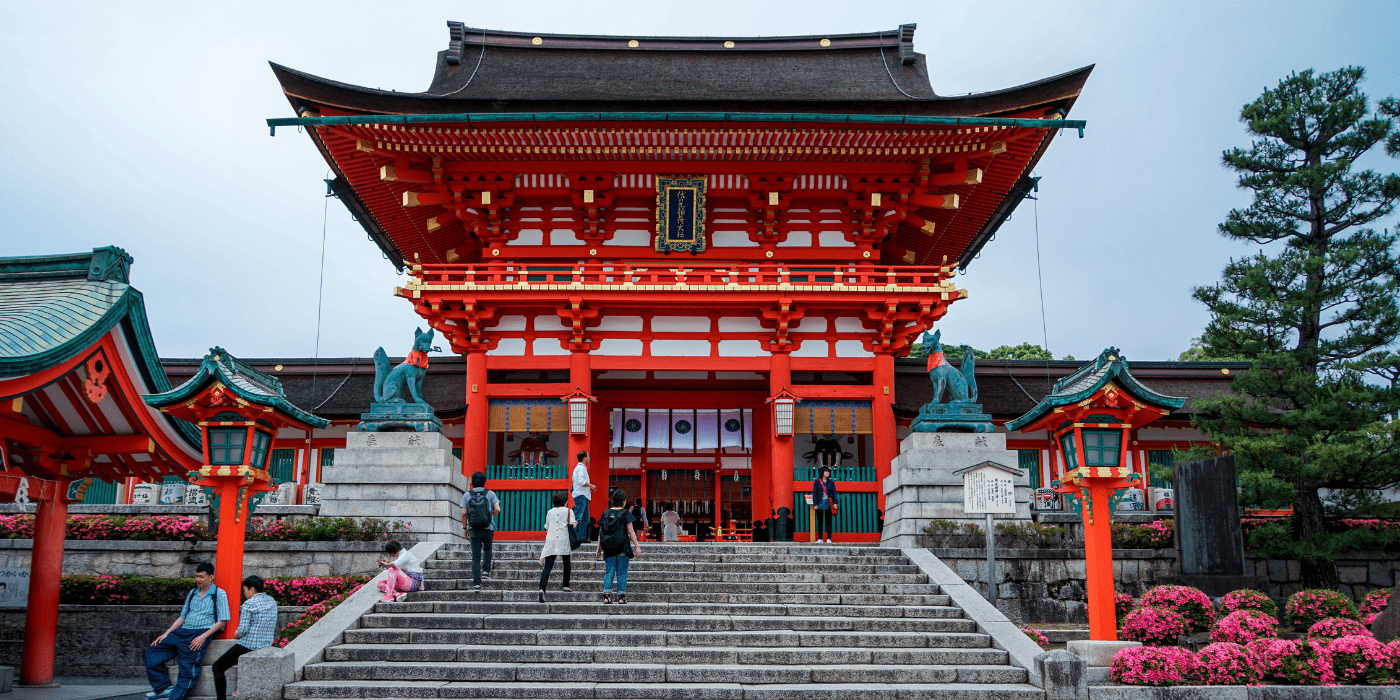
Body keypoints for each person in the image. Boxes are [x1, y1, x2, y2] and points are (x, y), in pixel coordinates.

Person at [144, 562, 229, 700]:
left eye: (201, 577)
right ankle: (162, 688)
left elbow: (223, 620)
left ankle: (175, 698)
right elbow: (182, 617)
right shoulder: (192, 593)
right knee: (152, 652)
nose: (198, 579)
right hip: (183, 631)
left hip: (200, 632)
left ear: (210, 577)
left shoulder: (219, 594)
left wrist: (203, 637)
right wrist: (167, 633)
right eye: (196, 576)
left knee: (187, 668)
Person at [210, 575, 278, 700]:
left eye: (245, 590)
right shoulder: (272, 601)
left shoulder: (249, 603)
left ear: (252, 589)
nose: (244, 593)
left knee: (217, 667)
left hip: (249, 645)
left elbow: (243, 630)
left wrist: (236, 634)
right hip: (266, 645)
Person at [596, 490, 642, 604]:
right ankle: (621, 597)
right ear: (623, 501)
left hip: (608, 547)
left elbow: (601, 531)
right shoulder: (625, 513)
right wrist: (637, 546)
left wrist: (598, 548)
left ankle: (607, 596)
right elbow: (631, 531)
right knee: (622, 573)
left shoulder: (606, 513)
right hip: (622, 547)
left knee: (609, 571)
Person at [460, 471, 501, 591]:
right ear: (484, 482)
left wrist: (464, 528)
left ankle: (477, 584)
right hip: (488, 528)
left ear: (472, 482)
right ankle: (486, 571)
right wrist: (490, 517)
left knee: (475, 557)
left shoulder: (467, 495)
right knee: (487, 548)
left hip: (474, 528)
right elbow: (497, 509)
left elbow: (464, 513)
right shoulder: (490, 493)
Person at [538, 490, 576, 603]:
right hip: (564, 539)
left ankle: (542, 588)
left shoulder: (550, 512)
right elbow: (573, 525)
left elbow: (547, 527)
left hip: (551, 540)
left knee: (547, 566)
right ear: (565, 502)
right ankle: (566, 584)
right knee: (566, 562)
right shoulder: (569, 511)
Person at [571, 451, 595, 541]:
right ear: (584, 458)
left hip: (582, 494)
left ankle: (581, 537)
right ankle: (575, 537)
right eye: (588, 456)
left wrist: (589, 487)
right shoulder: (581, 468)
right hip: (581, 495)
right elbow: (581, 481)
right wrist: (591, 485)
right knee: (579, 516)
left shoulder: (579, 468)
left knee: (584, 517)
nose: (589, 458)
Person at [813, 466, 839, 544]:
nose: (827, 473)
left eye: (828, 471)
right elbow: (815, 494)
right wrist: (815, 504)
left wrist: (835, 503)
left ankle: (829, 539)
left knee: (828, 521)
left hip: (828, 503)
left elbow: (834, 493)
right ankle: (820, 538)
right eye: (826, 471)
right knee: (820, 521)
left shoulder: (831, 482)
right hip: (820, 502)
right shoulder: (817, 482)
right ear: (822, 472)